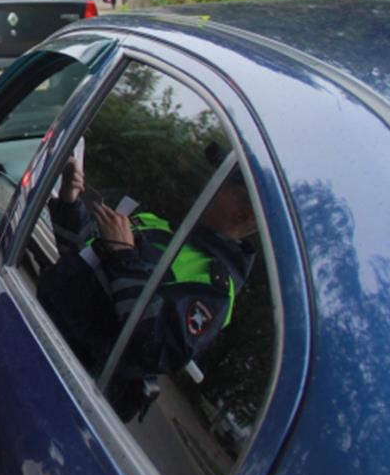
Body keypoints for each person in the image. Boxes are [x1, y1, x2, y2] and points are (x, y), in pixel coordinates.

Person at [38, 156, 256, 420]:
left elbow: (155, 348)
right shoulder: (159, 225)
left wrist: (124, 255)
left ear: (243, 215)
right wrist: (69, 202)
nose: (211, 186)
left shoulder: (214, 286)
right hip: (39, 327)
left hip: (67, 386)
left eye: (223, 187)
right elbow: (82, 257)